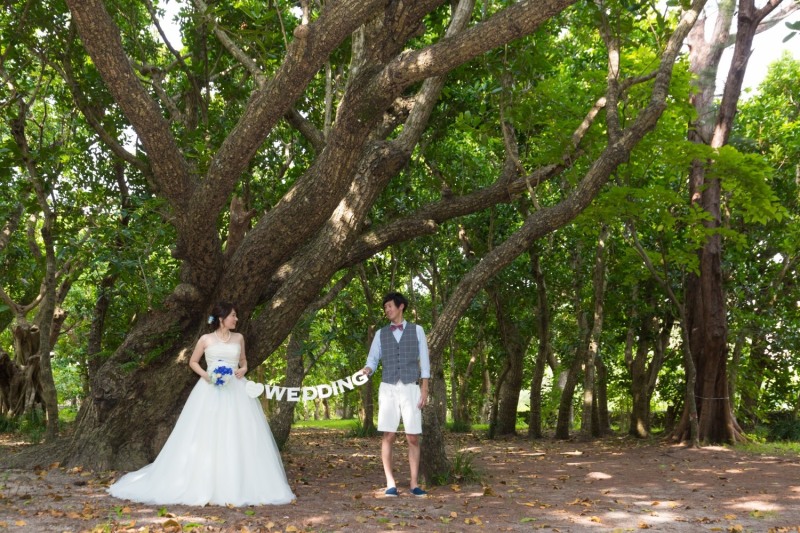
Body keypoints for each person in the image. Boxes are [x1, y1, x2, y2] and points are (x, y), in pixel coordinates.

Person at [108, 302, 295, 506]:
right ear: (222, 318)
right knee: (206, 431)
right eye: (233, 315)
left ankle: (239, 482)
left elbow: (243, 361)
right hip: (210, 389)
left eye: (236, 316)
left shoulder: (239, 338)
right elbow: (193, 362)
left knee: (238, 432)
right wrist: (208, 376)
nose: (236, 319)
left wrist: (243, 369)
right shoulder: (206, 339)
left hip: (236, 389)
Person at [361, 292, 430, 497]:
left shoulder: (417, 330)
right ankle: (390, 483)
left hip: (411, 387)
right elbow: (372, 359)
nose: (387, 310)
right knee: (388, 435)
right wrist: (367, 370)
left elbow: (424, 361)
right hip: (388, 387)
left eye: (389, 306)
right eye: (385, 308)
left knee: (412, 437)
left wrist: (424, 388)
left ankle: (414, 484)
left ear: (401, 307)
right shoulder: (381, 333)